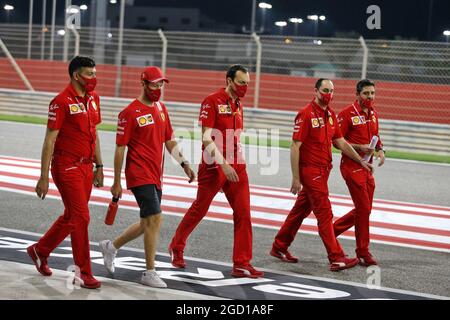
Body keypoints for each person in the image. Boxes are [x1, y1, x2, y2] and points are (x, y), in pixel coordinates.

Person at [99, 66, 195, 288]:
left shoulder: (161, 109)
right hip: (138, 173)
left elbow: (169, 140)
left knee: (147, 222)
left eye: (161, 84)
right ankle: (149, 272)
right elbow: (120, 148)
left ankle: (110, 247)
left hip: (155, 174)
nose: (158, 88)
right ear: (143, 84)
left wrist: (184, 163)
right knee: (155, 218)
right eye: (154, 84)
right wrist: (116, 181)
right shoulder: (129, 112)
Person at [168, 64, 264, 278]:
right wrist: (223, 164)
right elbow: (206, 137)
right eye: (241, 82)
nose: (245, 87)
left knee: (244, 213)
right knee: (200, 209)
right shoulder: (212, 101)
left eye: (248, 83)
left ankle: (241, 263)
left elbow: (234, 135)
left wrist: (236, 159)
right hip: (213, 164)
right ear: (229, 80)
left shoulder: (239, 104)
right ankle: (177, 246)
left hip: (236, 164)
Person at [270, 78, 373, 271]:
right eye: (325, 90)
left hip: (324, 170)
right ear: (316, 91)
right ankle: (336, 257)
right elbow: (294, 146)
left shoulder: (331, 115)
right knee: (325, 214)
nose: (329, 94)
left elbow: (341, 142)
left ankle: (279, 246)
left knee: (300, 210)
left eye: (331, 91)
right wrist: (295, 177)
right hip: (311, 171)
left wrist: (360, 161)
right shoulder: (305, 114)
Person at [28, 56, 103, 289]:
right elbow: (49, 141)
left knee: (72, 216)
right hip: (65, 166)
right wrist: (43, 177)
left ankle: (40, 250)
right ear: (75, 75)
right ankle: (83, 272)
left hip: (86, 167)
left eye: (94, 73)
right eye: (89, 74)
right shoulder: (60, 101)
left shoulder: (94, 99)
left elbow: (95, 134)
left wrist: (99, 166)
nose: (94, 78)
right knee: (81, 217)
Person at [333, 79, 385, 266]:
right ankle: (363, 252)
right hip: (351, 166)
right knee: (363, 209)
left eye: (372, 93)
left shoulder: (374, 114)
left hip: (367, 168)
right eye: (366, 93)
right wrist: (359, 147)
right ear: (357, 94)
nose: (370, 97)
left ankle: (331, 231)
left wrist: (380, 150)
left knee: (365, 210)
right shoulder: (347, 114)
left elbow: (376, 136)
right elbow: (337, 141)